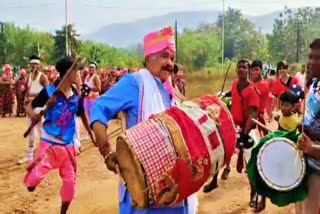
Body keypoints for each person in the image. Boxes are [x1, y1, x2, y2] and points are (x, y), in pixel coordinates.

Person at [90, 26, 192, 213]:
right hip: (142, 190)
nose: (170, 63)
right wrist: (106, 151)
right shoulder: (135, 83)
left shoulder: (171, 91)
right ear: (148, 58)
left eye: (172, 58)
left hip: (172, 191)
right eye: (164, 56)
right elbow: (99, 107)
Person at [23, 57, 93, 214]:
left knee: (70, 184)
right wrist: (33, 115)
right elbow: (30, 106)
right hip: (49, 143)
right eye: (76, 70)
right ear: (67, 73)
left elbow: (82, 115)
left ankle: (63, 211)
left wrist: (91, 134)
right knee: (33, 180)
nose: (78, 74)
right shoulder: (48, 91)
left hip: (68, 146)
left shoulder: (76, 95)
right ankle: (32, 180)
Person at [295, 38, 320, 214]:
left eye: (317, 58)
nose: (311, 62)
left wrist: (312, 148)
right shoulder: (315, 85)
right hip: (304, 165)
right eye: (310, 57)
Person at [18, 55, 49, 164]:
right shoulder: (29, 76)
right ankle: (30, 154)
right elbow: (27, 91)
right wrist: (26, 100)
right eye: (32, 64)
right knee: (31, 130)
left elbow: (48, 91)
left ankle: (44, 153)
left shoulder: (43, 77)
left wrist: (42, 103)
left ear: (38, 65)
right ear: (30, 65)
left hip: (39, 107)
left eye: (35, 64)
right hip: (30, 106)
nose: (34, 66)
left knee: (41, 130)